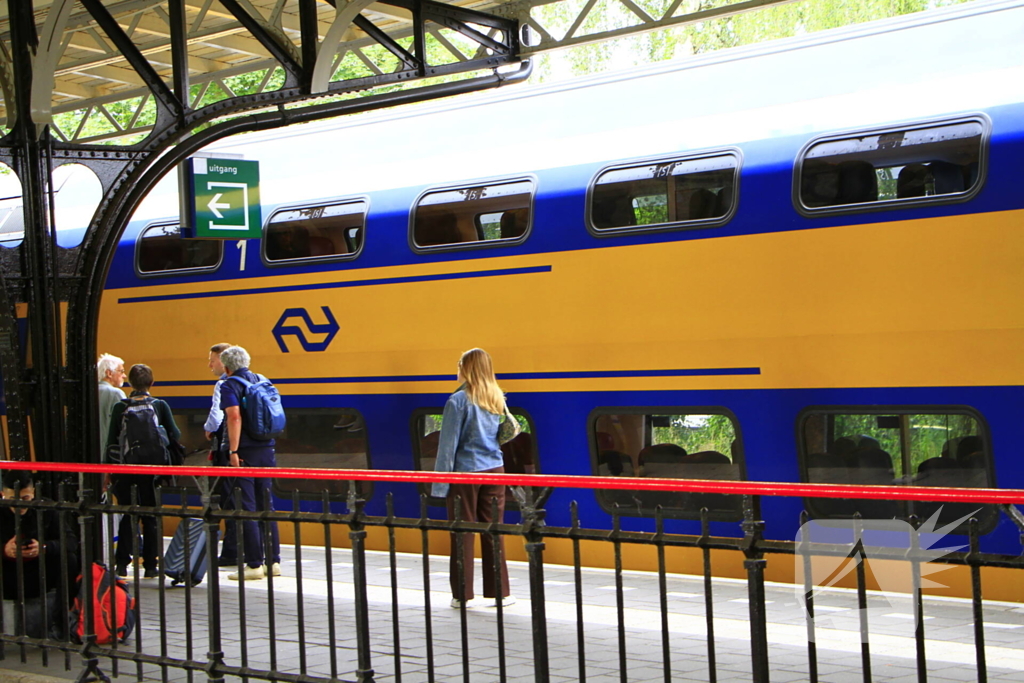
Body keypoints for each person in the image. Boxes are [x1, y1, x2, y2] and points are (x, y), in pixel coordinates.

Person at [432, 348, 514, 608]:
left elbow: (448, 446)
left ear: (467, 368)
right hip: (495, 470)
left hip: (465, 473)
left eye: (459, 364)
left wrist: (440, 486)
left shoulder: (457, 401)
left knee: (463, 532)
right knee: (493, 531)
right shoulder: (496, 396)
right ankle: (500, 593)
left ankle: (462, 595)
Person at [107, 364, 180, 579]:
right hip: (153, 470)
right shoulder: (159, 405)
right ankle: (150, 565)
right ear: (152, 383)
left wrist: (108, 471)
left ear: (130, 383)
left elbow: (111, 442)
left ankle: (121, 564)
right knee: (151, 516)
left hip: (126, 469)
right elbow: (175, 434)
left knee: (129, 514)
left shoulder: (121, 407)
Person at [219, 345, 281, 581]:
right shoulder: (261, 380)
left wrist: (233, 450)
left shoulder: (230, 384)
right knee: (267, 505)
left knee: (247, 507)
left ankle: (254, 564)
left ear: (226, 367)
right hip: (267, 449)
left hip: (245, 451)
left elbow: (234, 416)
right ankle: (273, 561)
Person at [1, 471, 78, 638]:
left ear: (33, 494)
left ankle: (60, 624)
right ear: (2, 495)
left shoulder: (46, 508)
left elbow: (71, 541)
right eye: (13, 500)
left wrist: (44, 547)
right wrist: (4, 550)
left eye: (25, 499)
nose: (19, 506)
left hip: (39, 573)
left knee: (69, 559)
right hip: (6, 576)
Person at [203, 342, 238, 567]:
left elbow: (216, 417)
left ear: (223, 362)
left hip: (226, 450)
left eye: (212, 360)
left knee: (226, 500)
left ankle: (230, 552)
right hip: (245, 450)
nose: (210, 365)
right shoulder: (254, 379)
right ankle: (255, 551)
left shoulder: (223, 384)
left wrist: (208, 429)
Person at [97, 354, 126, 454]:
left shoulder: (88, 392)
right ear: (109, 373)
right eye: (121, 371)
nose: (124, 376)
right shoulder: (116, 394)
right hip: (109, 454)